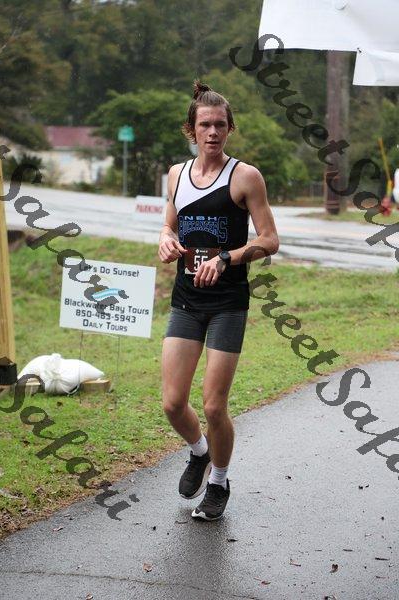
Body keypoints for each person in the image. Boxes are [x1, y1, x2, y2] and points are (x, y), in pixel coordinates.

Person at [158, 80, 279, 521]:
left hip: (228, 302)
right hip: (186, 299)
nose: (213, 132)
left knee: (213, 405)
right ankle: (199, 452)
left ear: (230, 129)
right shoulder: (176, 174)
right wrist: (165, 239)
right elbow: (169, 224)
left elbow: (270, 240)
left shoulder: (245, 177)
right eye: (205, 124)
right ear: (191, 129)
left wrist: (228, 257)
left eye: (220, 125)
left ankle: (219, 481)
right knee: (173, 403)